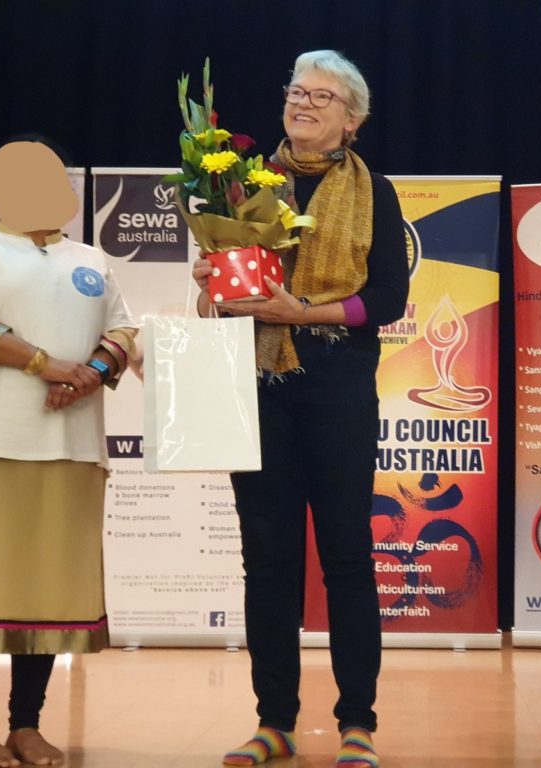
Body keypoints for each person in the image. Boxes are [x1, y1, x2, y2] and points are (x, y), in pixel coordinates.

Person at [191, 50, 408, 768]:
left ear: (353, 120)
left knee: (346, 557)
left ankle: (358, 723)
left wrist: (303, 310)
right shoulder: (238, 185)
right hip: (257, 382)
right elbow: (224, 296)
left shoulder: (375, 191)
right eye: (296, 91)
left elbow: (388, 300)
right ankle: (274, 722)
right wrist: (211, 281)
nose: (304, 103)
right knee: (268, 560)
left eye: (322, 95)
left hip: (338, 384)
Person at [0, 139, 136, 767]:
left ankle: (27, 724)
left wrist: (88, 373)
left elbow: (123, 330)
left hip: (70, 446)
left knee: (48, 589)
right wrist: (45, 364)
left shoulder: (91, 257)